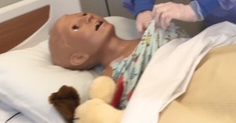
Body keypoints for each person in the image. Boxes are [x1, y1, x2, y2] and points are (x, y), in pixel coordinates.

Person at [49, 12, 188, 109]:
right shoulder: (108, 82)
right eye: (76, 27)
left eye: (84, 13)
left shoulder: (156, 30)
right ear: (79, 57)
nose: (88, 17)